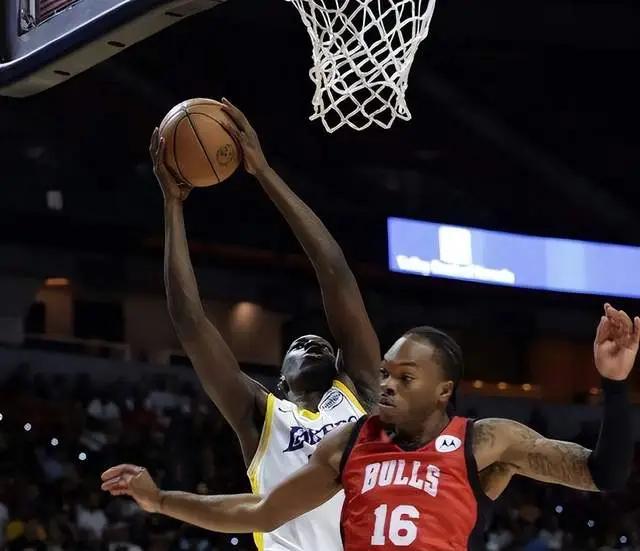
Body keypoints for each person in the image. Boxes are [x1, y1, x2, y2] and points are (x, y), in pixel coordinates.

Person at [102, 304, 637, 550]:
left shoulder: (485, 440)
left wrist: (615, 385)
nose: (386, 386)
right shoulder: (351, 443)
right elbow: (260, 512)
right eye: (384, 374)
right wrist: (161, 500)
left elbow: (603, 474)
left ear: (443, 390)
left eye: (405, 378)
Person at [150, 98, 381, 551]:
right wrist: (172, 206)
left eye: (321, 343)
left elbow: (334, 272)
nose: (314, 343)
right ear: (281, 380)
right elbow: (190, 322)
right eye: (299, 345)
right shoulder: (261, 415)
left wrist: (264, 173)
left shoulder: (362, 391)